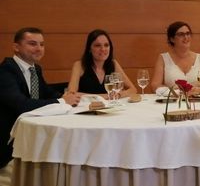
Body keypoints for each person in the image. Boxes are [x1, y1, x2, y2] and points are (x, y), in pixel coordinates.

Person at [0, 27, 82, 167]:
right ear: (16, 47)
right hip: (8, 143)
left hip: (31, 135)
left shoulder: (35, 69)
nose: (39, 48)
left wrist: (68, 97)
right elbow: (22, 105)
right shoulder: (5, 71)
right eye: (32, 44)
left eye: (42, 44)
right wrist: (61, 101)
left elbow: (46, 92)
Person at [68, 29, 136, 98]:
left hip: (110, 108)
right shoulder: (79, 65)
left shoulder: (113, 63)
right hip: (87, 108)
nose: (103, 49)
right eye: (97, 45)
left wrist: (118, 95)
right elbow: (71, 94)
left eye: (106, 45)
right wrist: (107, 96)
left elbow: (133, 90)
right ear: (89, 49)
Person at [150, 21, 200, 94]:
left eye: (188, 33)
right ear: (172, 39)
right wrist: (174, 91)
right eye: (181, 34)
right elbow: (154, 86)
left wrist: (196, 90)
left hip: (197, 102)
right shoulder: (163, 58)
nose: (186, 37)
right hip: (172, 102)